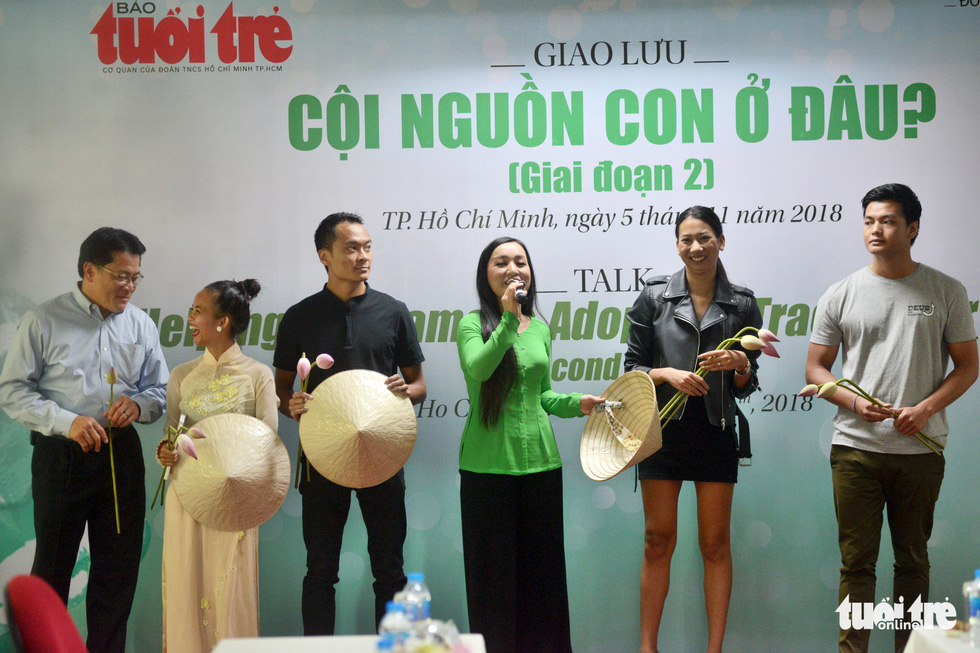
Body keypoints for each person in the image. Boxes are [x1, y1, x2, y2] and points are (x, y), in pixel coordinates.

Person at [805, 183, 978, 653]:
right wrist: (857, 404)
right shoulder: (841, 293)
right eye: (869, 221)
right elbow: (815, 367)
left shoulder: (946, 290)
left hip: (920, 450)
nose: (875, 230)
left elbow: (968, 367)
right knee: (856, 565)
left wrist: (924, 409)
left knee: (913, 563)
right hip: (855, 450)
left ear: (913, 228)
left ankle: (910, 648)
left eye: (887, 221)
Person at [0, 227, 168, 653]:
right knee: (52, 572)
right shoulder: (43, 319)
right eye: (122, 276)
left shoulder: (140, 323)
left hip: (121, 454)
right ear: (89, 270)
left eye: (136, 277)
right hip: (63, 456)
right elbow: (12, 389)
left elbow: (160, 389)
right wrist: (65, 421)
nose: (130, 287)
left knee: (117, 572)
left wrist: (140, 405)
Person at [273, 212, 426, 635]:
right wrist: (293, 405)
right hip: (322, 456)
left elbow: (419, 385)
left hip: (383, 452)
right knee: (320, 570)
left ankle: (393, 646)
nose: (363, 257)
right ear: (325, 256)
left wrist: (404, 389)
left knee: (390, 569)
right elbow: (281, 387)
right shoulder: (300, 316)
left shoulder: (393, 311)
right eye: (351, 249)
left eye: (367, 246)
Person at [624, 206, 763, 653]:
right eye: (686, 239)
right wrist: (667, 373)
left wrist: (740, 366)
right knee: (656, 540)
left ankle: (714, 649)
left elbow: (745, 386)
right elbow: (632, 370)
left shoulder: (741, 302)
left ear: (721, 241)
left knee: (715, 544)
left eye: (704, 238)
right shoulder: (654, 296)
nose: (695, 247)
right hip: (661, 431)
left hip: (716, 430)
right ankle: (648, 648)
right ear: (677, 245)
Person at [456, 236, 604, 653]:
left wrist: (579, 403)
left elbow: (542, 395)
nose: (513, 269)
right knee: (493, 584)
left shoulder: (540, 327)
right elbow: (480, 369)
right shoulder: (471, 324)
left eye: (520, 261)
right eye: (501, 262)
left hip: (542, 466)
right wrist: (506, 319)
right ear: (486, 275)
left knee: (544, 580)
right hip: (487, 469)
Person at [155, 279, 278, 652]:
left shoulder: (258, 375)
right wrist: (166, 452)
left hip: (234, 496)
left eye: (197, 311)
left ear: (222, 322)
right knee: (185, 578)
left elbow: (267, 439)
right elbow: (172, 436)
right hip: (187, 495)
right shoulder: (181, 375)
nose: (190, 319)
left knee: (231, 582)